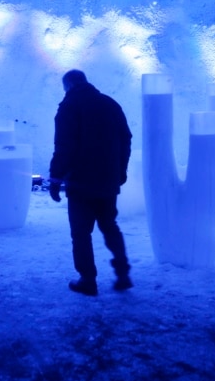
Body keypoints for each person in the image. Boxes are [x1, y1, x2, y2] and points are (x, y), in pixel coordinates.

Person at [49, 69, 133, 296]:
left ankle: (88, 280)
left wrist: (55, 178)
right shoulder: (110, 104)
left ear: (68, 86)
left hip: (81, 182)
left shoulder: (69, 107)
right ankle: (123, 274)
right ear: (85, 81)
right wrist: (120, 170)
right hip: (107, 179)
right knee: (109, 226)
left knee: (81, 232)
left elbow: (64, 147)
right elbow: (126, 139)